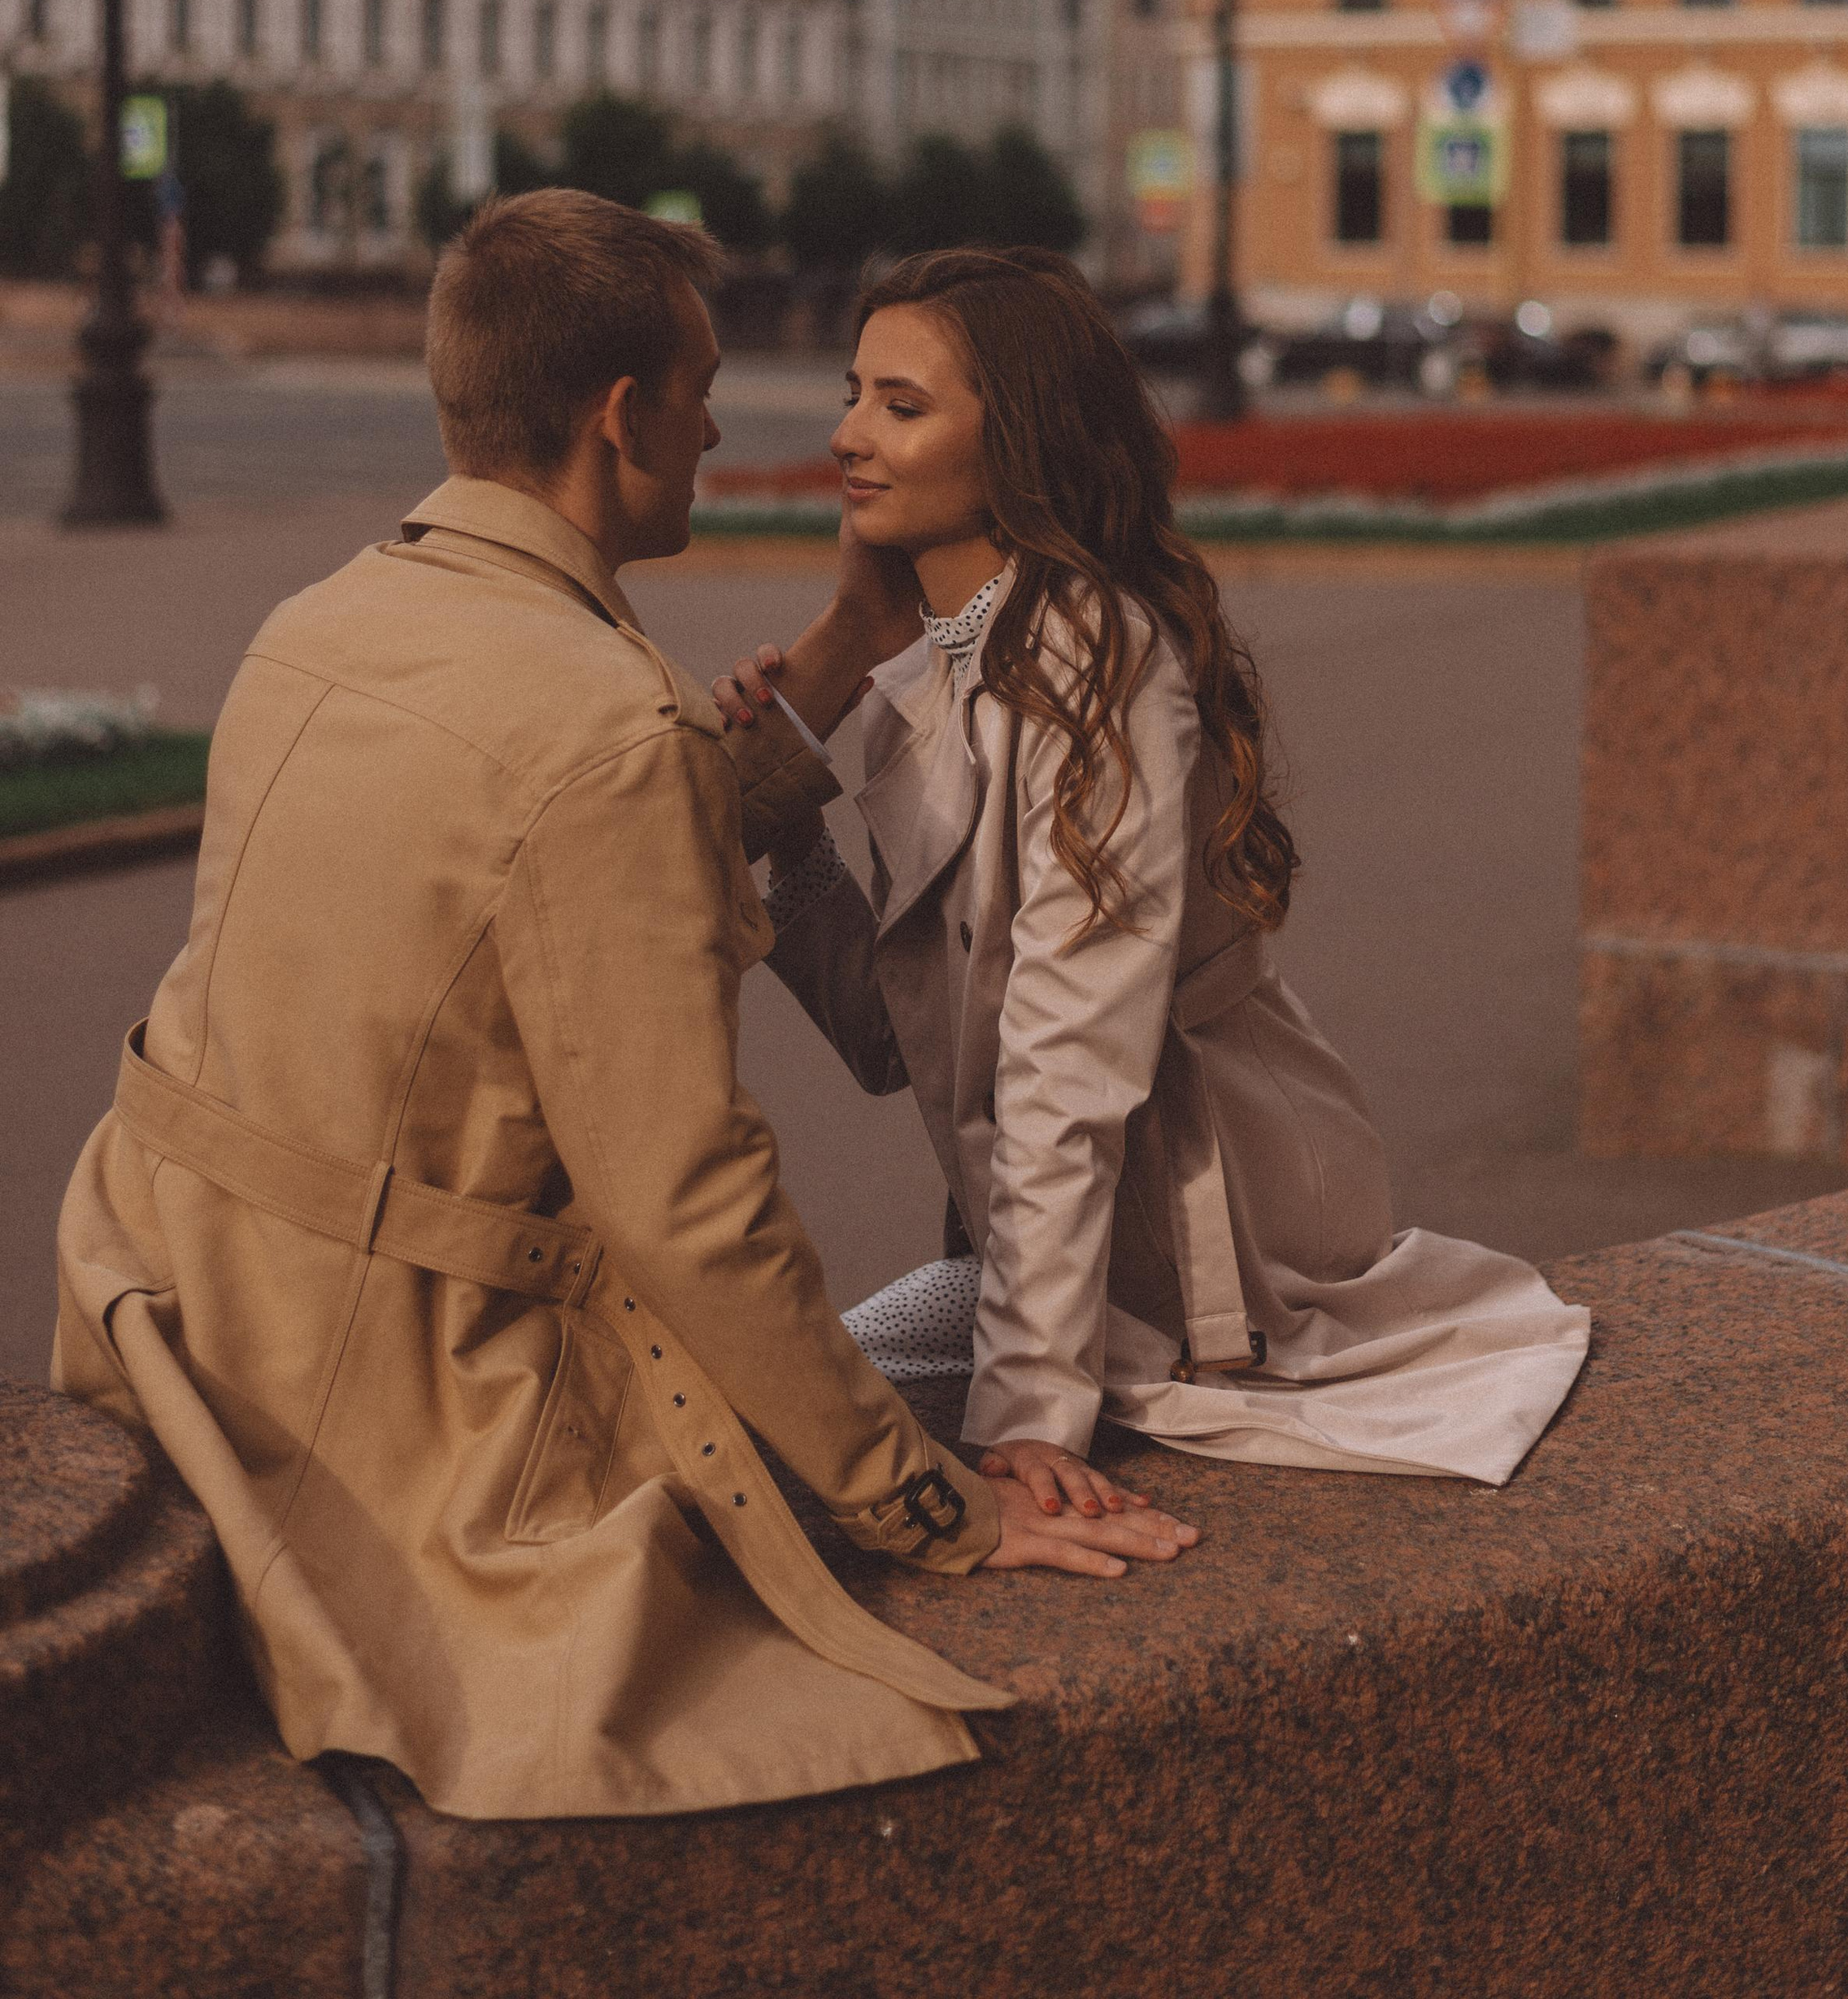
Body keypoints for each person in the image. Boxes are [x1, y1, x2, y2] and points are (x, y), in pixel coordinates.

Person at [53, 192, 1194, 1826]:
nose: (722, 428)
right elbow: (687, 1203)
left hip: (166, 1290)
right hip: (391, 1399)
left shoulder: (326, 618)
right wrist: (930, 1507)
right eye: (701, 387)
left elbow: (540, 844)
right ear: (622, 414)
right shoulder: (609, 726)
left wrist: (839, 649)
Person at [720, 246, 1590, 1522]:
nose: (849, 434)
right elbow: (891, 1039)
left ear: (1018, 440)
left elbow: (1066, 1064)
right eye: (855, 394)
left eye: (902, 407)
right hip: (1049, 1246)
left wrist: (1027, 1409)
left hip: (1212, 1249)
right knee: (763, 1421)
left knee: (795, 1449)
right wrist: (806, 790)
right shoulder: (929, 675)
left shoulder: (1096, 670)